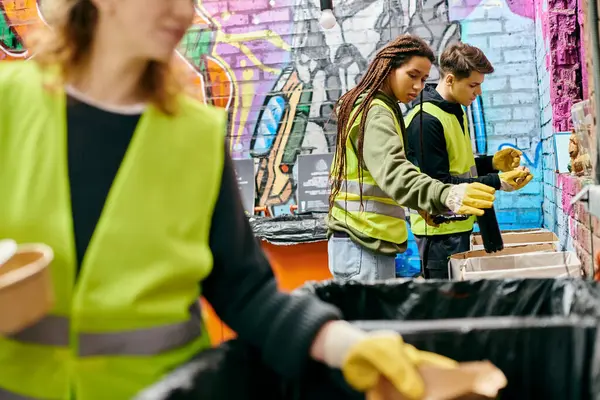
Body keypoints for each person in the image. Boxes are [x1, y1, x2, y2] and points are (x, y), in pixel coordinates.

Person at [0, 0, 469, 399]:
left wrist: (344, 344)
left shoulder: (195, 135)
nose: (185, 11)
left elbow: (244, 290)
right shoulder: (10, 106)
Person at [327, 35, 497, 283]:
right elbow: (394, 172)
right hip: (362, 242)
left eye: (424, 79)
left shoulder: (378, 107)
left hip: (363, 240)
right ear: (388, 67)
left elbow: (380, 173)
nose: (418, 85)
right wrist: (446, 195)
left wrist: (420, 204)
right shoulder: (374, 111)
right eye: (412, 74)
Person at [405, 42, 533, 279]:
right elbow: (438, 183)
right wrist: (498, 181)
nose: (478, 93)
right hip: (439, 233)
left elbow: (460, 166)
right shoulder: (425, 121)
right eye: (473, 85)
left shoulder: (454, 111)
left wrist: (493, 163)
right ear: (451, 80)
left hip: (457, 225)